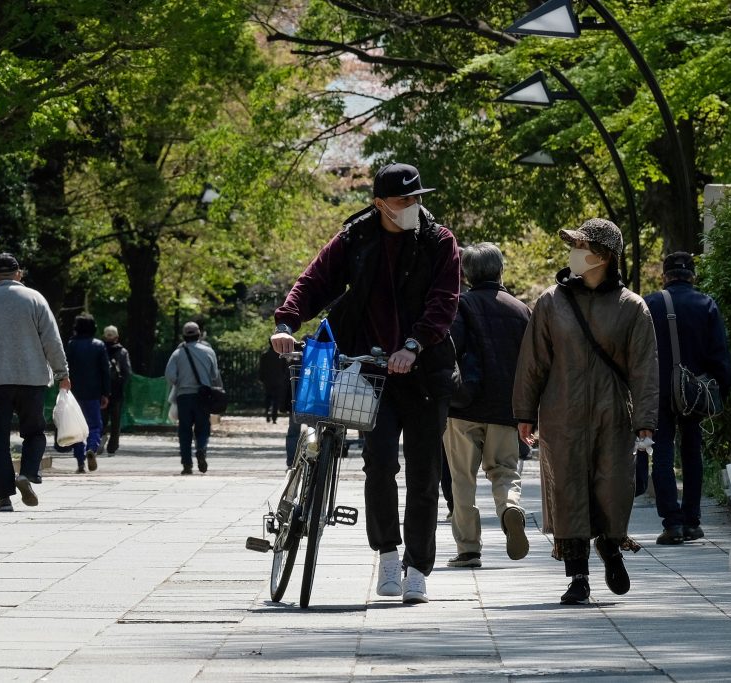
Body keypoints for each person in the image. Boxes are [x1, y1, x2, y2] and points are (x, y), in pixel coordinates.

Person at [270, 162, 459, 605]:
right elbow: (315, 281)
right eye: (403, 200)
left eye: (417, 198)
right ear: (380, 205)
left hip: (425, 369)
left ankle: (417, 567)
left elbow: (444, 300)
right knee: (378, 464)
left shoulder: (439, 240)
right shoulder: (356, 237)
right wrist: (285, 322)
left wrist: (413, 344)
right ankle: (388, 554)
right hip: (370, 370)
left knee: (425, 470)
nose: (413, 206)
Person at [513, 218, 659, 605]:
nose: (575, 253)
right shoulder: (550, 302)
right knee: (568, 490)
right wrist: (524, 411)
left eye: (582, 246)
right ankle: (577, 576)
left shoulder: (633, 308)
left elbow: (645, 369)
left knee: (613, 488)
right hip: (561, 413)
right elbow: (533, 363)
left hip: (614, 413)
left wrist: (645, 422)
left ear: (605, 256)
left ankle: (611, 547)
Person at [443, 242, 532, 569]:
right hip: (506, 409)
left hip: (463, 406)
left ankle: (469, 549)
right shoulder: (521, 310)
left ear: (466, 273)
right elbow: (532, 364)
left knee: (462, 478)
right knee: (505, 471)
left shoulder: (460, 306)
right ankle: (510, 507)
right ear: (500, 270)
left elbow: (449, 351)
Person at [0, 253, 70, 511]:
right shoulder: (35, 299)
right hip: (32, 379)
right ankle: (27, 474)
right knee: (34, 432)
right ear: (19, 274)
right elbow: (52, 340)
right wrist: (62, 373)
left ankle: (4, 497)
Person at [643, 252, 731, 545]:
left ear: (665, 275)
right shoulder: (706, 304)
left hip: (660, 390)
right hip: (694, 393)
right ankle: (692, 520)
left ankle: (672, 523)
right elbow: (719, 355)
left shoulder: (651, 304)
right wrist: (721, 392)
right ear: (693, 275)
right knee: (692, 452)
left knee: (663, 452)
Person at [165, 321, 221, 475]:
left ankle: (186, 464)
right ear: (199, 334)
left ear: (183, 336)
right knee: (203, 428)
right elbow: (214, 375)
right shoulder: (208, 351)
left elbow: (169, 375)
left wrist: (180, 382)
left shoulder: (177, 353)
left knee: (184, 430)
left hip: (184, 396)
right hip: (203, 396)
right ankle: (201, 449)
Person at [64, 313, 110, 474]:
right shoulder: (99, 345)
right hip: (93, 392)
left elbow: (65, 367)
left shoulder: (71, 345)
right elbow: (105, 370)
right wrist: (105, 392)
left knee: (76, 427)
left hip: (74, 392)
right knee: (95, 425)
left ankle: (80, 462)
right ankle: (91, 447)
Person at [100, 325, 132, 456]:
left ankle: (99, 439)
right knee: (115, 420)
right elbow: (128, 372)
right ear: (117, 337)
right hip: (117, 391)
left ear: (104, 336)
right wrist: (121, 383)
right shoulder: (123, 352)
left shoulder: (99, 349)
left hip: (101, 391)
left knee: (101, 419)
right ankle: (112, 447)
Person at [258, 343, 289, 424]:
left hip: (267, 381)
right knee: (276, 399)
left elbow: (261, 369)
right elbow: (285, 369)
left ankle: (267, 411)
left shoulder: (264, 355)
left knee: (268, 397)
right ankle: (274, 416)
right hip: (278, 380)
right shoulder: (281, 356)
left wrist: (261, 379)